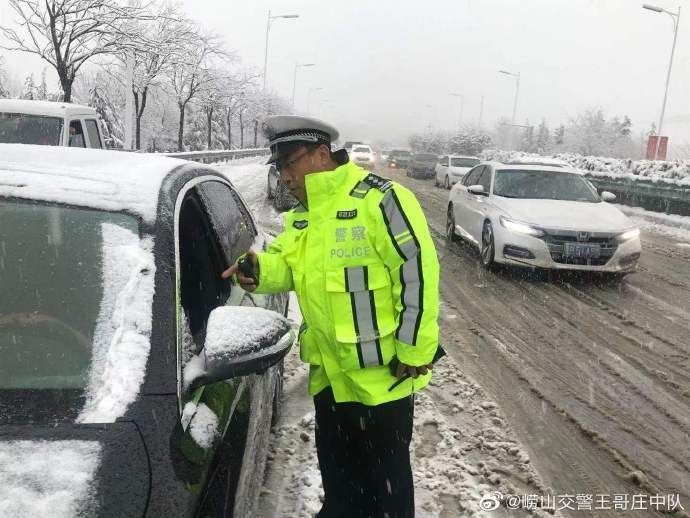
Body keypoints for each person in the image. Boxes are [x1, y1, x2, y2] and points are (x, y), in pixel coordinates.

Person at [222, 115, 440, 518]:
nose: (285, 177)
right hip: (329, 382)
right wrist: (257, 269)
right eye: (280, 167)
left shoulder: (379, 199)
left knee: (386, 498)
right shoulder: (307, 216)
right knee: (341, 489)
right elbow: (288, 266)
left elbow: (417, 274)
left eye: (291, 163)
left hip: (383, 381)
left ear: (321, 154)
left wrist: (414, 349)